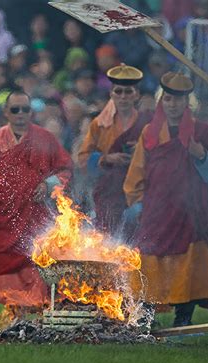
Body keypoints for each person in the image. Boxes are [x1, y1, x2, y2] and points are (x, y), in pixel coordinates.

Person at [123, 72, 208, 326]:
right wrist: (136, 203)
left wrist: (201, 155)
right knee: (149, 261)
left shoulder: (202, 131)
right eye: (168, 99)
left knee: (187, 265)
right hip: (156, 210)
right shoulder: (150, 132)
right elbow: (137, 170)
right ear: (161, 101)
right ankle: (145, 317)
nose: (173, 104)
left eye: (178, 100)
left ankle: (183, 318)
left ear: (188, 103)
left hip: (190, 212)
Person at [0, 90, 72, 307]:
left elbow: (65, 169)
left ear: (31, 112)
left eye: (25, 109)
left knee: (36, 259)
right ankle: (11, 308)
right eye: (15, 109)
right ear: (6, 112)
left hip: (36, 216)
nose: (20, 114)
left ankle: (37, 306)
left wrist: (47, 184)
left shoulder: (45, 138)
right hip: (4, 217)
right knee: (6, 263)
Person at [79, 64, 153, 236]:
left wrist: (142, 150)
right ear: (111, 93)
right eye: (118, 91)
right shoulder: (99, 124)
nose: (123, 97)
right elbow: (82, 158)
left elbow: (162, 154)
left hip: (141, 190)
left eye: (128, 92)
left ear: (137, 95)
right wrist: (107, 158)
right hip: (109, 191)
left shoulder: (148, 123)